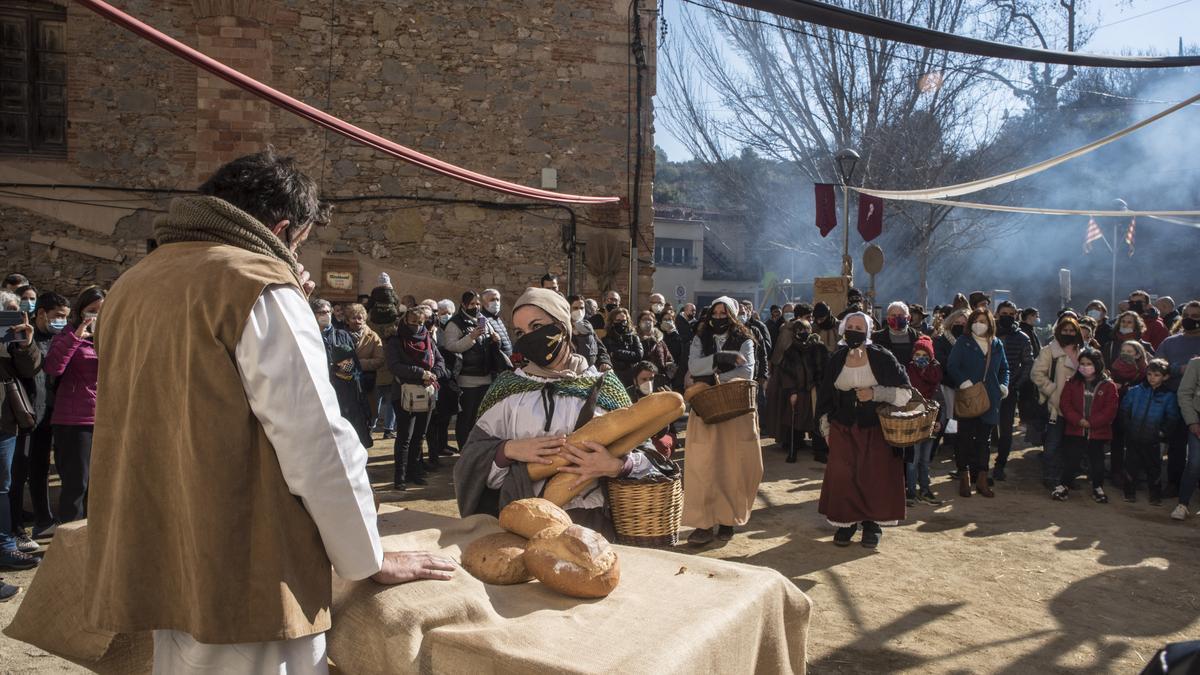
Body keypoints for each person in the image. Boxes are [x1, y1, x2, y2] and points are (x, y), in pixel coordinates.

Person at [81, 149, 453, 671]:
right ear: (282, 229)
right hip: (247, 557)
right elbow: (318, 441)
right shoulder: (255, 284)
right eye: (299, 243)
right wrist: (367, 558)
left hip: (162, 542)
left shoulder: (133, 282)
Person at [454, 288, 662, 536]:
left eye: (537, 326)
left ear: (562, 327)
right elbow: (468, 464)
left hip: (591, 523)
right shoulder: (507, 389)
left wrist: (616, 466)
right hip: (521, 522)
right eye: (520, 332)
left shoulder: (605, 385)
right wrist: (506, 450)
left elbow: (651, 461)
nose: (529, 338)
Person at [816, 311, 910, 548]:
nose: (854, 331)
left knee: (874, 475)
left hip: (875, 428)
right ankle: (845, 524)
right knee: (843, 476)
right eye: (851, 326)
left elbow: (905, 393)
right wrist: (826, 429)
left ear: (868, 331)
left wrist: (875, 393)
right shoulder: (836, 359)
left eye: (860, 327)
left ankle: (871, 525)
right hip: (843, 427)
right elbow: (826, 398)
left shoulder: (882, 357)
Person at [683, 297, 763, 545]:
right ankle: (703, 524)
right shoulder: (700, 337)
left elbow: (746, 371)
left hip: (735, 410)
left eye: (723, 312)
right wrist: (720, 358)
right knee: (703, 467)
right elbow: (694, 366)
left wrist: (712, 376)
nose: (718, 317)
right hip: (706, 410)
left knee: (733, 467)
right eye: (715, 313)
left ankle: (727, 520)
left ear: (733, 315)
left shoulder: (746, 339)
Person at [10, 292, 69, 547]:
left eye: (66, 317)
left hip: (48, 416)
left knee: (40, 470)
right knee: (17, 473)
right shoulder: (24, 337)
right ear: (41, 313)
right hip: (24, 416)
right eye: (57, 316)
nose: (61, 322)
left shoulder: (60, 338)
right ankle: (15, 527)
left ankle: (44, 519)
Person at [44, 286, 104, 523]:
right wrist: (77, 337)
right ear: (80, 312)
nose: (96, 316)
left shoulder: (108, 336)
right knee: (76, 484)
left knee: (99, 486)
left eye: (102, 310)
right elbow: (53, 367)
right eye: (92, 311)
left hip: (103, 418)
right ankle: (70, 543)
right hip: (74, 421)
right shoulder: (67, 336)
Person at [947, 309, 1010, 498]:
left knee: (985, 440)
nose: (979, 324)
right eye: (976, 320)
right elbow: (952, 366)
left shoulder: (996, 344)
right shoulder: (963, 342)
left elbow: (1005, 368)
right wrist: (964, 382)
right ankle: (964, 476)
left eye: (983, 321)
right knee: (964, 438)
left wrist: (1003, 385)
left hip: (990, 398)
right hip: (968, 397)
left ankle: (982, 478)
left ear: (990, 323)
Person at [0, 291, 41, 572]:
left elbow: (30, 369)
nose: (15, 317)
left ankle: (5, 547)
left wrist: (25, 343)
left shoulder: (17, 342)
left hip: (4, 421)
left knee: (3, 485)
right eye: (9, 312)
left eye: (17, 312)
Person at [387, 305, 447, 489]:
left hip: (427, 393)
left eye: (420, 323)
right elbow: (395, 366)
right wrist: (421, 373)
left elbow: (440, 361)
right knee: (405, 436)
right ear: (405, 321)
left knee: (419, 436)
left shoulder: (428, 338)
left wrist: (434, 373)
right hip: (404, 394)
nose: (417, 326)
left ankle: (415, 472)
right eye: (413, 322)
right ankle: (400, 477)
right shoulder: (396, 341)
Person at [1052, 348, 1119, 503]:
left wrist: (1092, 422)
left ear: (1097, 364)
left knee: (1097, 461)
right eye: (1082, 363)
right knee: (1071, 459)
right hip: (1075, 430)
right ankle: (1063, 485)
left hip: (1098, 432)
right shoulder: (1072, 383)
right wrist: (1078, 420)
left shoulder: (1108, 386)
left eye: (1089, 363)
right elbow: (1065, 404)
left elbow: (1111, 409)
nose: (1085, 366)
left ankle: (1098, 487)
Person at [444, 291, 500, 459]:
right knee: (466, 418)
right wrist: (471, 337)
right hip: (467, 379)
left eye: (477, 304)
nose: (475, 307)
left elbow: (491, 342)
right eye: (472, 304)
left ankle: (478, 450)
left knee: (481, 418)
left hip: (486, 377)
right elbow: (451, 346)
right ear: (463, 304)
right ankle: (465, 451)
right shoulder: (455, 323)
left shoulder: (483, 321)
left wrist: (495, 339)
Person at [313, 299, 373, 449]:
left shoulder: (342, 335)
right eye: (321, 312)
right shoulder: (308, 336)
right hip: (319, 391)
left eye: (327, 312)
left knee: (350, 430)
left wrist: (341, 369)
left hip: (345, 391)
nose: (325, 315)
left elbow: (353, 363)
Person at [1031, 316, 1083, 490]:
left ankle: (1067, 478)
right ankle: (1050, 476)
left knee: (1072, 445)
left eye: (1072, 330)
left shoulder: (1083, 351)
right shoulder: (1048, 351)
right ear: (1058, 331)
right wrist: (1052, 390)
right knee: (1053, 444)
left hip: (1077, 408)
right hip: (1056, 406)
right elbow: (1037, 374)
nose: (1068, 333)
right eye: (1064, 330)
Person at [1155, 301, 1200, 498]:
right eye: (1187, 315)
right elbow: (1157, 366)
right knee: (1176, 445)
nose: (1190, 320)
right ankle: (1174, 482)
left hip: (1197, 403)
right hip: (1173, 400)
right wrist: (1177, 369)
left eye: (1195, 316)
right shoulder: (1170, 342)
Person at [1122, 359, 1177, 506]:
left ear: (1165, 377)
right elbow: (1124, 410)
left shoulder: (1168, 396)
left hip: (1153, 439)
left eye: (1157, 375)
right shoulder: (1135, 391)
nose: (1152, 377)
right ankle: (1129, 493)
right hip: (1134, 436)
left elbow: (1172, 418)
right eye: (1149, 374)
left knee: (1154, 468)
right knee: (1131, 465)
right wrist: (1128, 428)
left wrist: (1161, 433)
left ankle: (1155, 495)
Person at [772, 319, 826, 463]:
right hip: (798, 391)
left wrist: (818, 386)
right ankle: (793, 450)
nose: (803, 333)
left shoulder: (818, 348)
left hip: (814, 390)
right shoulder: (791, 351)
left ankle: (819, 451)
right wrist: (792, 391)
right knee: (795, 420)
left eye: (806, 330)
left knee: (817, 421)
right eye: (799, 331)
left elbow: (822, 369)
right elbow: (787, 373)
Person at [993, 301, 1033, 481]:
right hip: (985, 389)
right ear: (997, 313)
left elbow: (1028, 363)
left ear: (1016, 315)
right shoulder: (988, 333)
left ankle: (1000, 464)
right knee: (985, 429)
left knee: (1006, 430)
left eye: (1010, 313)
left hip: (1009, 391)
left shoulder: (1022, 338)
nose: (1007, 316)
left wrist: (1015, 384)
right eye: (1003, 313)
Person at [905, 336, 943, 505]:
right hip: (914, 422)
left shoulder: (936, 374)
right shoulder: (908, 373)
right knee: (913, 460)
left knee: (925, 460)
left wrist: (938, 420)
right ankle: (911, 492)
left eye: (925, 355)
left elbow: (940, 401)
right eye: (917, 354)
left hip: (931, 422)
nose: (920, 358)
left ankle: (925, 489)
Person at [367, 284, 400, 439]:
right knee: (385, 399)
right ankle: (386, 428)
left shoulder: (369, 318)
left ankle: (373, 427)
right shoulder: (395, 319)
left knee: (379, 399)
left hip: (380, 363)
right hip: (384, 363)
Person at [628, 361, 677, 458]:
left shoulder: (660, 393)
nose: (648, 383)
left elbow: (664, 430)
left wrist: (667, 407)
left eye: (651, 379)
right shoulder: (627, 395)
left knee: (659, 446)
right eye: (644, 379)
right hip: (635, 438)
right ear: (635, 381)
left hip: (660, 435)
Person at [1175, 356, 1200, 519]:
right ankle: (1183, 504)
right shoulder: (1196, 363)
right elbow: (1184, 393)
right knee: (1194, 463)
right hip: (1197, 421)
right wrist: (1192, 422)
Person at [566, 295, 610, 371]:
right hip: (570, 370)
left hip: (590, 369)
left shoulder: (588, 327)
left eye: (582, 308)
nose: (579, 311)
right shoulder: (563, 328)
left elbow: (600, 348)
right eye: (575, 308)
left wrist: (604, 362)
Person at [602, 307, 643, 385]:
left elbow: (638, 356)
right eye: (618, 320)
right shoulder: (606, 339)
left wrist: (616, 353)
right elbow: (608, 357)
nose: (622, 323)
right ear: (612, 322)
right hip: (614, 377)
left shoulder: (634, 337)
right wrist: (628, 355)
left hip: (632, 376)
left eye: (624, 321)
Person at [873, 301, 921, 366]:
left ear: (908, 317)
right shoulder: (875, 338)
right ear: (887, 318)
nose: (896, 318)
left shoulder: (918, 338)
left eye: (900, 315)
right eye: (893, 315)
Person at [636, 309, 674, 390]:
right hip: (642, 380)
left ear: (654, 322)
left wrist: (668, 373)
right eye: (644, 319)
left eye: (650, 320)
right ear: (639, 322)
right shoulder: (634, 339)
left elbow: (669, 358)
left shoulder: (660, 340)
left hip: (660, 380)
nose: (647, 322)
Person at [480, 288, 513, 361]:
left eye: (498, 300)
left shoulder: (497, 318)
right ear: (484, 303)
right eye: (492, 300)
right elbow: (481, 341)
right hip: (496, 363)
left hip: (507, 360)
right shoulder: (481, 319)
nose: (496, 302)